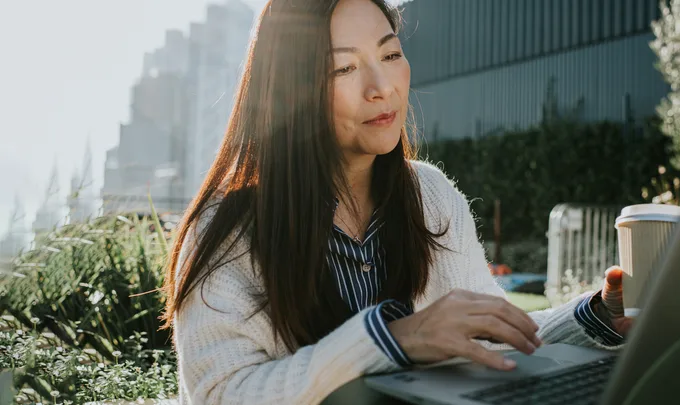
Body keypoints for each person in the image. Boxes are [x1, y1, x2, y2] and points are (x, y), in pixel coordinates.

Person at [160, 0, 632, 403]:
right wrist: (391, 340)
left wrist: (591, 316)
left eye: (390, 54)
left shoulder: (431, 196)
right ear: (291, 91)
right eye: (343, 67)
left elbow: (491, 337)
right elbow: (224, 393)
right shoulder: (228, 227)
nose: (381, 86)